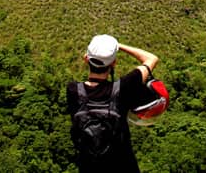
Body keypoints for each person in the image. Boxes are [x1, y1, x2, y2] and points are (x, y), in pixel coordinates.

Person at [67, 34, 160, 172]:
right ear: (114, 63)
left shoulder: (73, 90)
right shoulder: (123, 88)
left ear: (86, 59)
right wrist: (119, 46)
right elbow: (151, 58)